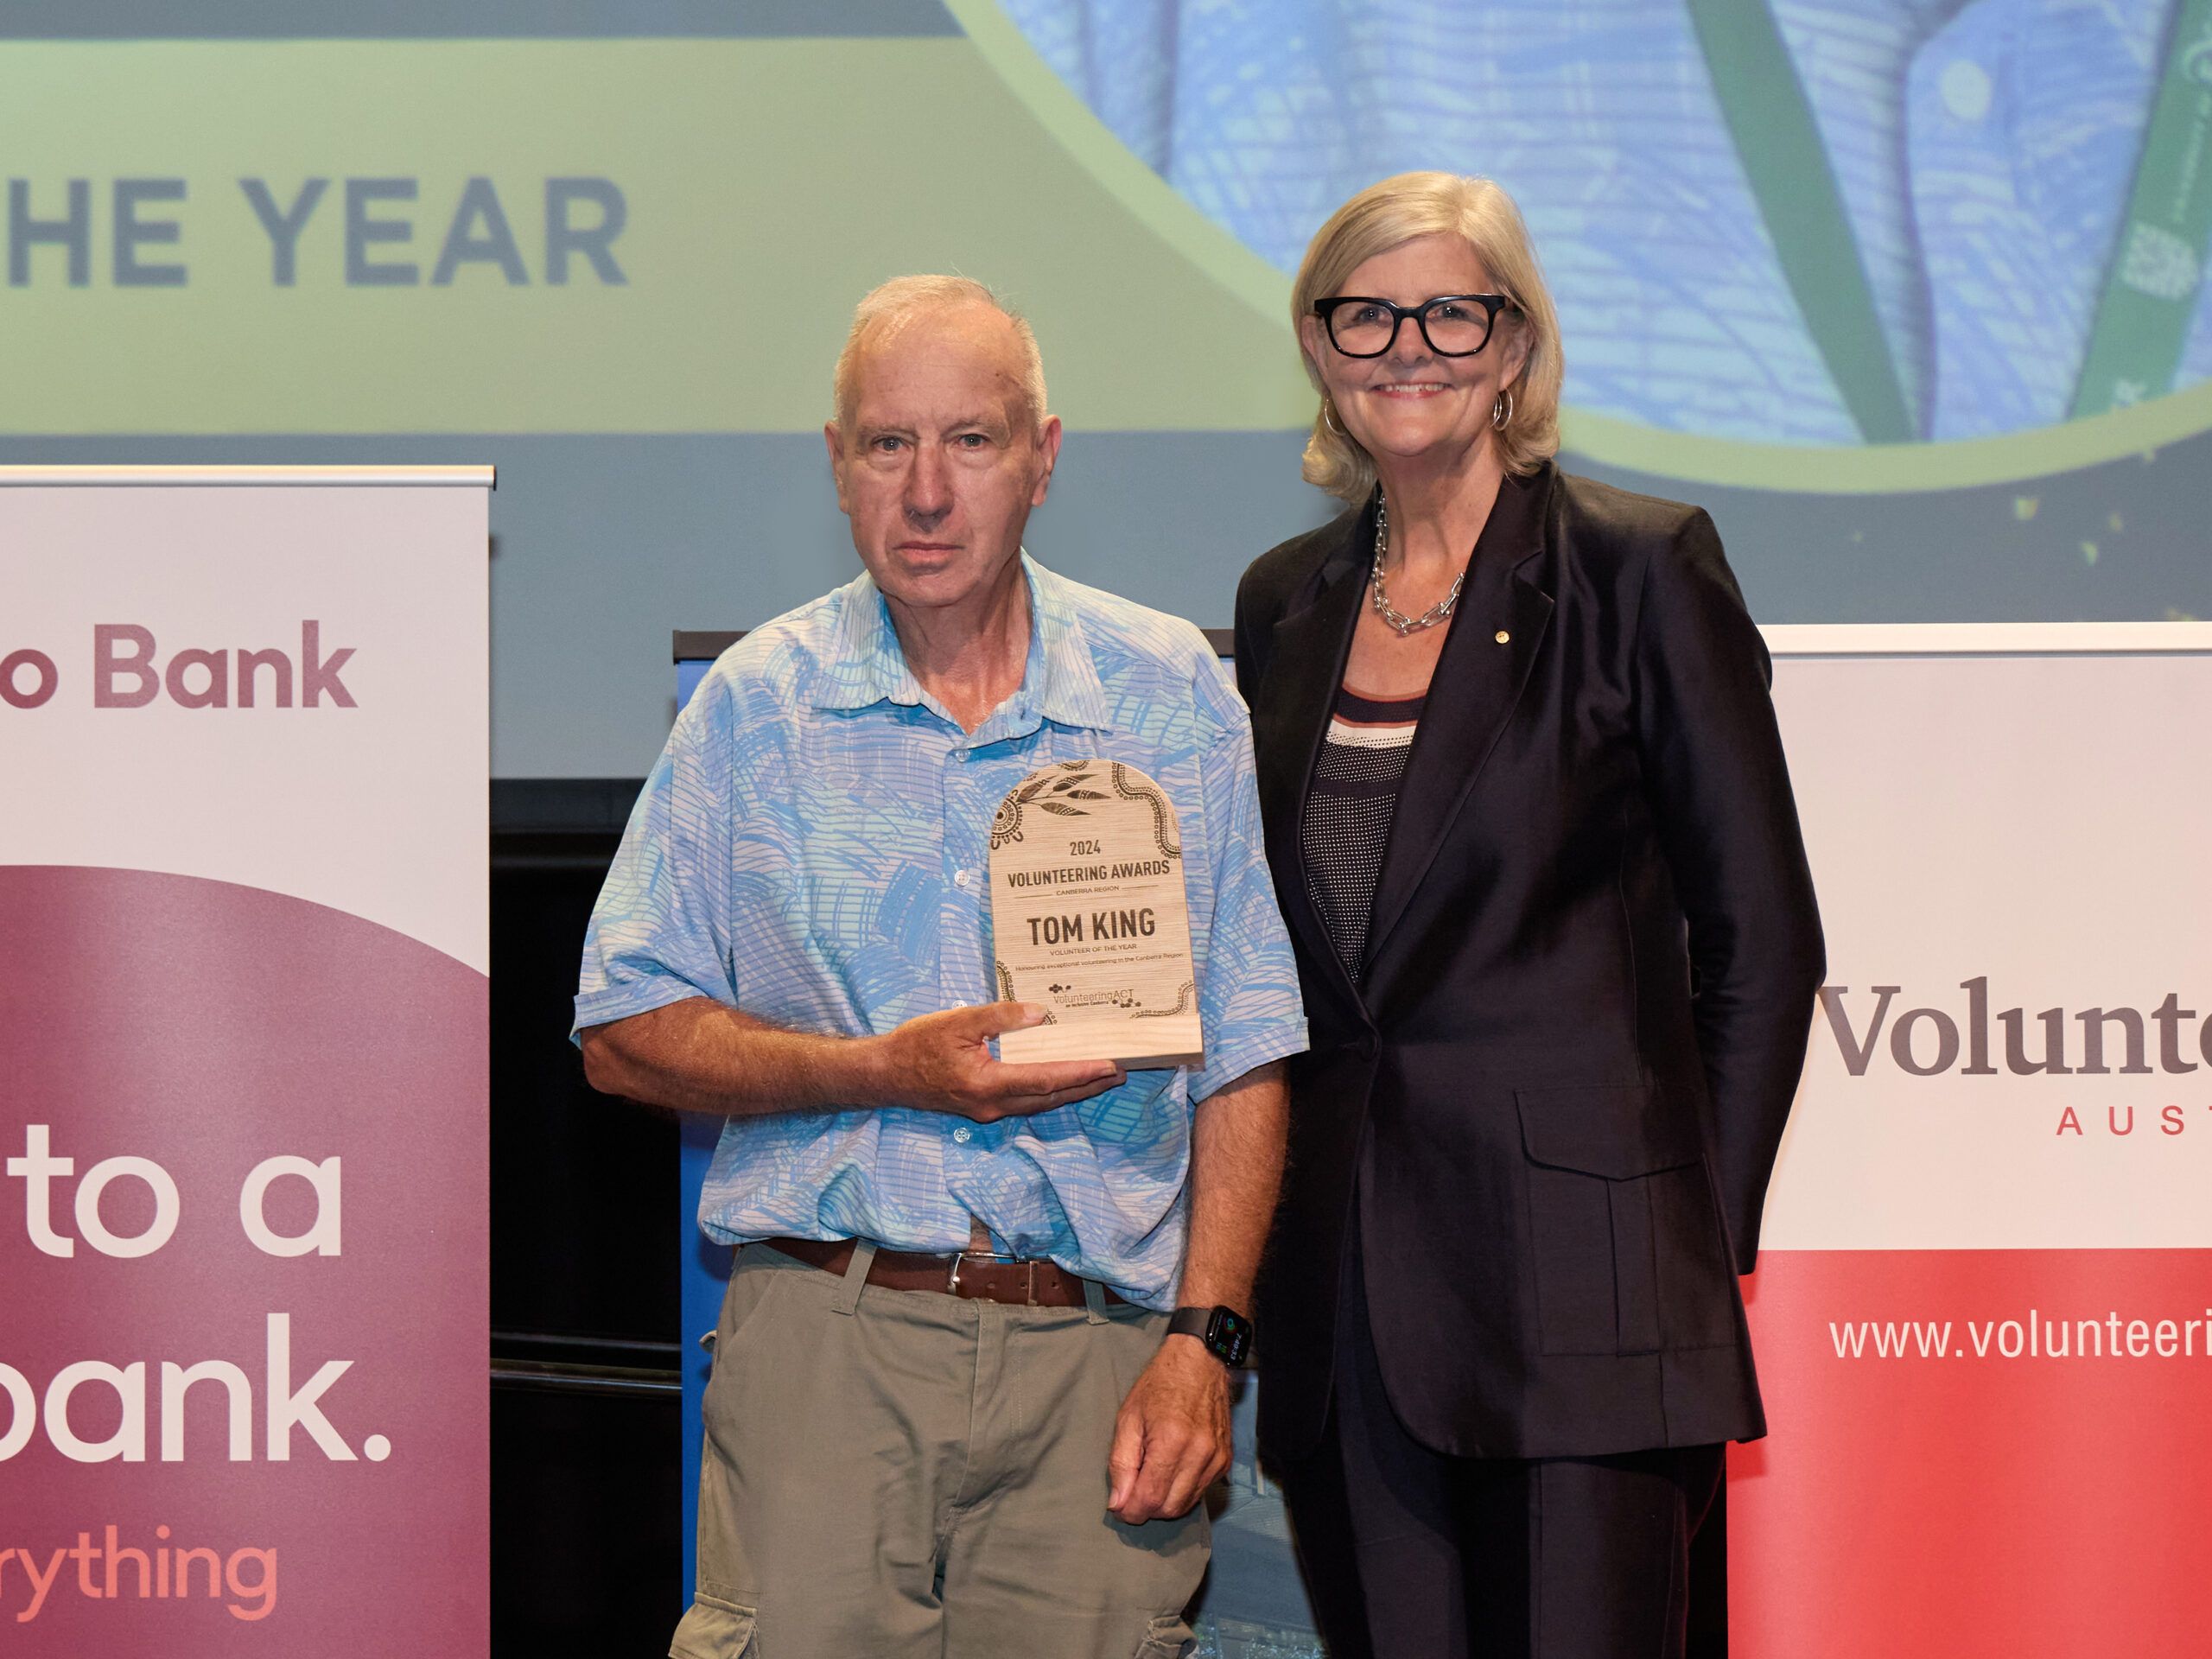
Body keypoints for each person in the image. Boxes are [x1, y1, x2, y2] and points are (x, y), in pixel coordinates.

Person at [573, 275, 1306, 1659]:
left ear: (1043, 457)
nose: (925, 491)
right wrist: (882, 1070)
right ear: (837, 463)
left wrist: (1204, 1346)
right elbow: (623, 1029)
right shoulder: (757, 705)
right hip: (829, 1345)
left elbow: (1250, 1045)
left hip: (1102, 1365)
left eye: (970, 440)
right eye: (887, 444)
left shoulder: (1169, 696)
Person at [1232, 173, 1826, 1658]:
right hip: (1349, 1307)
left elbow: (1763, 944)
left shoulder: (1639, 569)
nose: (1407, 348)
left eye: (1451, 313)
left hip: (1591, 1306)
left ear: (1513, 345)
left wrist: (1680, 1243)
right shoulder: (1283, 602)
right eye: (1366, 315)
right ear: (1317, 346)